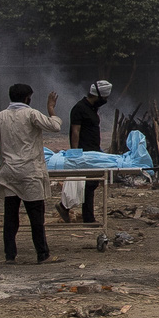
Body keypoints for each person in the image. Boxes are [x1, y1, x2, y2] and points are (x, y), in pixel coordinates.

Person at [0, 84, 63, 264]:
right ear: (28, 98)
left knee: (10, 218)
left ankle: (10, 256)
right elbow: (55, 126)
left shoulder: (1, 116)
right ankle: (43, 254)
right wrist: (51, 108)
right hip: (30, 173)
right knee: (36, 217)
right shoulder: (31, 114)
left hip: (9, 173)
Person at [66, 80, 113, 223]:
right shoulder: (79, 108)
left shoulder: (91, 109)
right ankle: (84, 215)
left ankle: (87, 215)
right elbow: (75, 131)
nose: (105, 101)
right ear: (97, 96)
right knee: (89, 184)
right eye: (104, 98)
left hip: (93, 150)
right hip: (84, 152)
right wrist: (75, 152)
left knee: (91, 184)